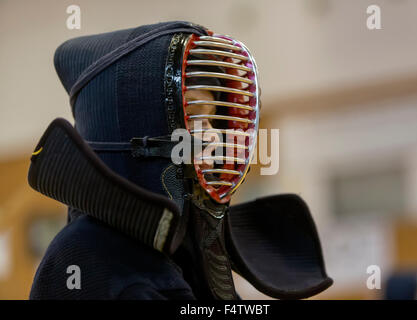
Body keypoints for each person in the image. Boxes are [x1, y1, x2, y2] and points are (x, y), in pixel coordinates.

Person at [28, 21, 332, 300]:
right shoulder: (89, 258)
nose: (214, 138)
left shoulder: (181, 241)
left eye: (213, 120)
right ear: (143, 129)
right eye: (197, 117)